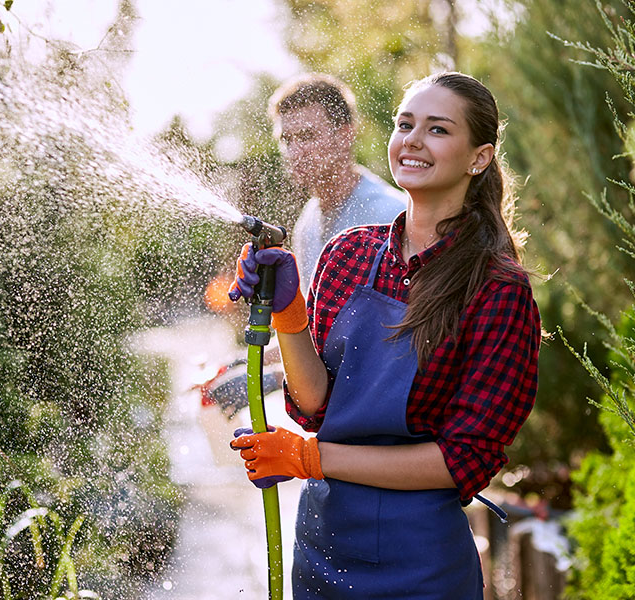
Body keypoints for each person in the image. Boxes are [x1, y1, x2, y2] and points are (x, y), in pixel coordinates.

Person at [228, 72, 541, 598]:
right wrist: (288, 313)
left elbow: (461, 460)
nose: (413, 139)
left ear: (479, 158)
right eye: (405, 124)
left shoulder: (498, 290)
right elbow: (316, 405)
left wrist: (310, 459)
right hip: (322, 548)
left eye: (438, 129)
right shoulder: (347, 253)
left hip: (418, 565)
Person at [200, 74, 405, 411]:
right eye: (287, 139)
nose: (295, 151)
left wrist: (272, 377)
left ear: (345, 134)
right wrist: (251, 362)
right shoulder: (308, 224)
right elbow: (316, 334)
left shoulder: (388, 217)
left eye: (307, 136)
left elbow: (382, 349)